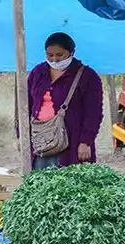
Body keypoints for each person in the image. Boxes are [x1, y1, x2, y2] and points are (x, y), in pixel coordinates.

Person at [27, 32, 103, 170]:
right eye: (50, 55)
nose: (54, 59)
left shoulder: (88, 76)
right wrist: (22, 136)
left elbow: (94, 113)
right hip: (40, 139)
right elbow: (26, 105)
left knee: (69, 179)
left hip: (72, 142)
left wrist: (85, 142)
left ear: (71, 52)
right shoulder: (37, 73)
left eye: (60, 55)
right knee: (40, 179)